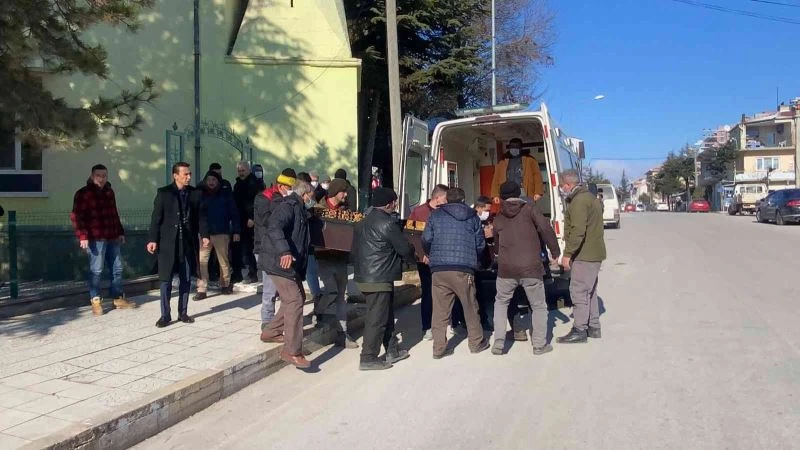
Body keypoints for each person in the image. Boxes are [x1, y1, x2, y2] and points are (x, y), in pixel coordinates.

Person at [491, 181, 561, 355]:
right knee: (538, 305)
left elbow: (497, 243)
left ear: (501, 197)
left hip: (506, 269)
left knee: (501, 303)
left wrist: (497, 257)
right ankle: (539, 345)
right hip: (531, 267)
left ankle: (498, 344)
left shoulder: (499, 216)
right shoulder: (529, 210)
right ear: (519, 193)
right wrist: (555, 251)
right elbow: (545, 228)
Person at [352, 187, 417, 370]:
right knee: (377, 318)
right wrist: (414, 259)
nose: (396, 205)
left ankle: (392, 350)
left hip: (366, 275)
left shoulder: (362, 222)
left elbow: (354, 251)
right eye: (395, 201)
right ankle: (368, 357)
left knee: (386, 314)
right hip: (378, 277)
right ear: (390, 204)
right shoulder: (388, 224)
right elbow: (404, 249)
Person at [422, 187, 489, 359]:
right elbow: (480, 243)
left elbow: (426, 239)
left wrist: (432, 253)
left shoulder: (435, 215)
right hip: (463, 269)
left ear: (446, 199)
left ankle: (438, 348)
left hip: (439, 270)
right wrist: (474, 258)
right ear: (463, 199)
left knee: (439, 311)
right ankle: (476, 343)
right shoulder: (472, 217)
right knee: (470, 307)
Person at [258, 180, 317, 369]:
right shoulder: (289, 206)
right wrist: (284, 251)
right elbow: (274, 227)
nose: (313, 200)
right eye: (311, 196)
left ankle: (271, 332)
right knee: (295, 301)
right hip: (278, 261)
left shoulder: (300, 208)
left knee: (293, 297)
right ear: (305, 194)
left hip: (287, 263)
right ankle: (292, 351)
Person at [147, 162, 207, 328]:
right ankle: (165, 315)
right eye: (185, 174)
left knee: (186, 279)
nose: (188, 177)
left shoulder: (195, 193)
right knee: (165, 280)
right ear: (175, 175)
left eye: (189, 174)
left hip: (187, 243)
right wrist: (152, 239)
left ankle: (183, 312)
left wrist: (205, 235)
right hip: (168, 244)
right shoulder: (164, 193)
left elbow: (201, 216)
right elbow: (156, 219)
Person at [70, 164, 136, 315]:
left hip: (112, 235)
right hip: (95, 237)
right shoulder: (83, 194)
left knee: (117, 268)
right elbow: (76, 216)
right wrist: (83, 236)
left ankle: (118, 297)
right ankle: (95, 300)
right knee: (96, 269)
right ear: (92, 176)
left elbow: (114, 213)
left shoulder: (109, 192)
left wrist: (120, 232)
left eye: (104, 176)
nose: (101, 179)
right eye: (98, 176)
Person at [557, 169, 607, 344]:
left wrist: (567, 254)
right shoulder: (590, 199)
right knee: (590, 292)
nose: (561, 189)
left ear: (568, 185)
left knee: (578, 291)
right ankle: (593, 326)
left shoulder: (578, 202)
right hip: (594, 253)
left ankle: (579, 329)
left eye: (561, 186)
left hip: (584, 254)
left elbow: (578, 231)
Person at [313, 178, 358, 348]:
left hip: (341, 259)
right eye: (343, 192)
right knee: (330, 291)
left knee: (341, 295)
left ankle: (342, 334)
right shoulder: (318, 210)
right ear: (334, 192)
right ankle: (319, 311)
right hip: (324, 257)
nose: (346, 195)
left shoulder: (345, 211)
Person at [255, 168, 297, 329]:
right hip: (265, 247)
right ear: (280, 186)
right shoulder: (264, 198)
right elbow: (266, 221)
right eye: (289, 188)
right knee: (269, 288)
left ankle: (280, 321)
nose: (290, 191)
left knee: (283, 290)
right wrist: (279, 205)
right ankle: (267, 321)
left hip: (282, 247)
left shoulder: (286, 200)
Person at [409, 184, 449, 340]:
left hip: (443, 258)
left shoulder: (445, 211)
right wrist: (422, 254)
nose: (447, 202)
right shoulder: (419, 212)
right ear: (437, 198)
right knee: (428, 293)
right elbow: (412, 235)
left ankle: (447, 322)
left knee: (445, 292)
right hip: (425, 261)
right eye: (445, 198)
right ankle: (427, 326)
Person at [195, 171, 240, 300]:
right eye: (209, 180)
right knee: (202, 262)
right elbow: (200, 216)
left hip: (222, 232)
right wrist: (203, 234)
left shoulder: (225, 195)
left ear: (218, 182)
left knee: (223, 261)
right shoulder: (201, 194)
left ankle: (225, 284)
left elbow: (234, 213)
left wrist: (236, 230)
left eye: (214, 180)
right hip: (205, 234)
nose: (211, 182)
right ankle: (202, 289)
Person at [490, 137, 544, 203]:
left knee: (526, 210)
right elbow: (496, 178)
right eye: (512, 147)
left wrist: (538, 192)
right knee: (509, 211)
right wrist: (495, 195)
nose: (514, 149)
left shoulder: (530, 160)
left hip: (524, 190)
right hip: (507, 192)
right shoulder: (502, 161)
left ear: (521, 148)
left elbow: (537, 176)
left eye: (516, 147)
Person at [233, 161, 261, 284]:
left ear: (249, 170)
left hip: (249, 220)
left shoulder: (255, 183)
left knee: (248, 248)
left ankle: (252, 273)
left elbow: (257, 203)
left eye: (243, 170)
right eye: (239, 171)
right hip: (239, 218)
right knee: (238, 247)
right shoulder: (238, 184)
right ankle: (238, 273)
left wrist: (252, 217)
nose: (241, 173)